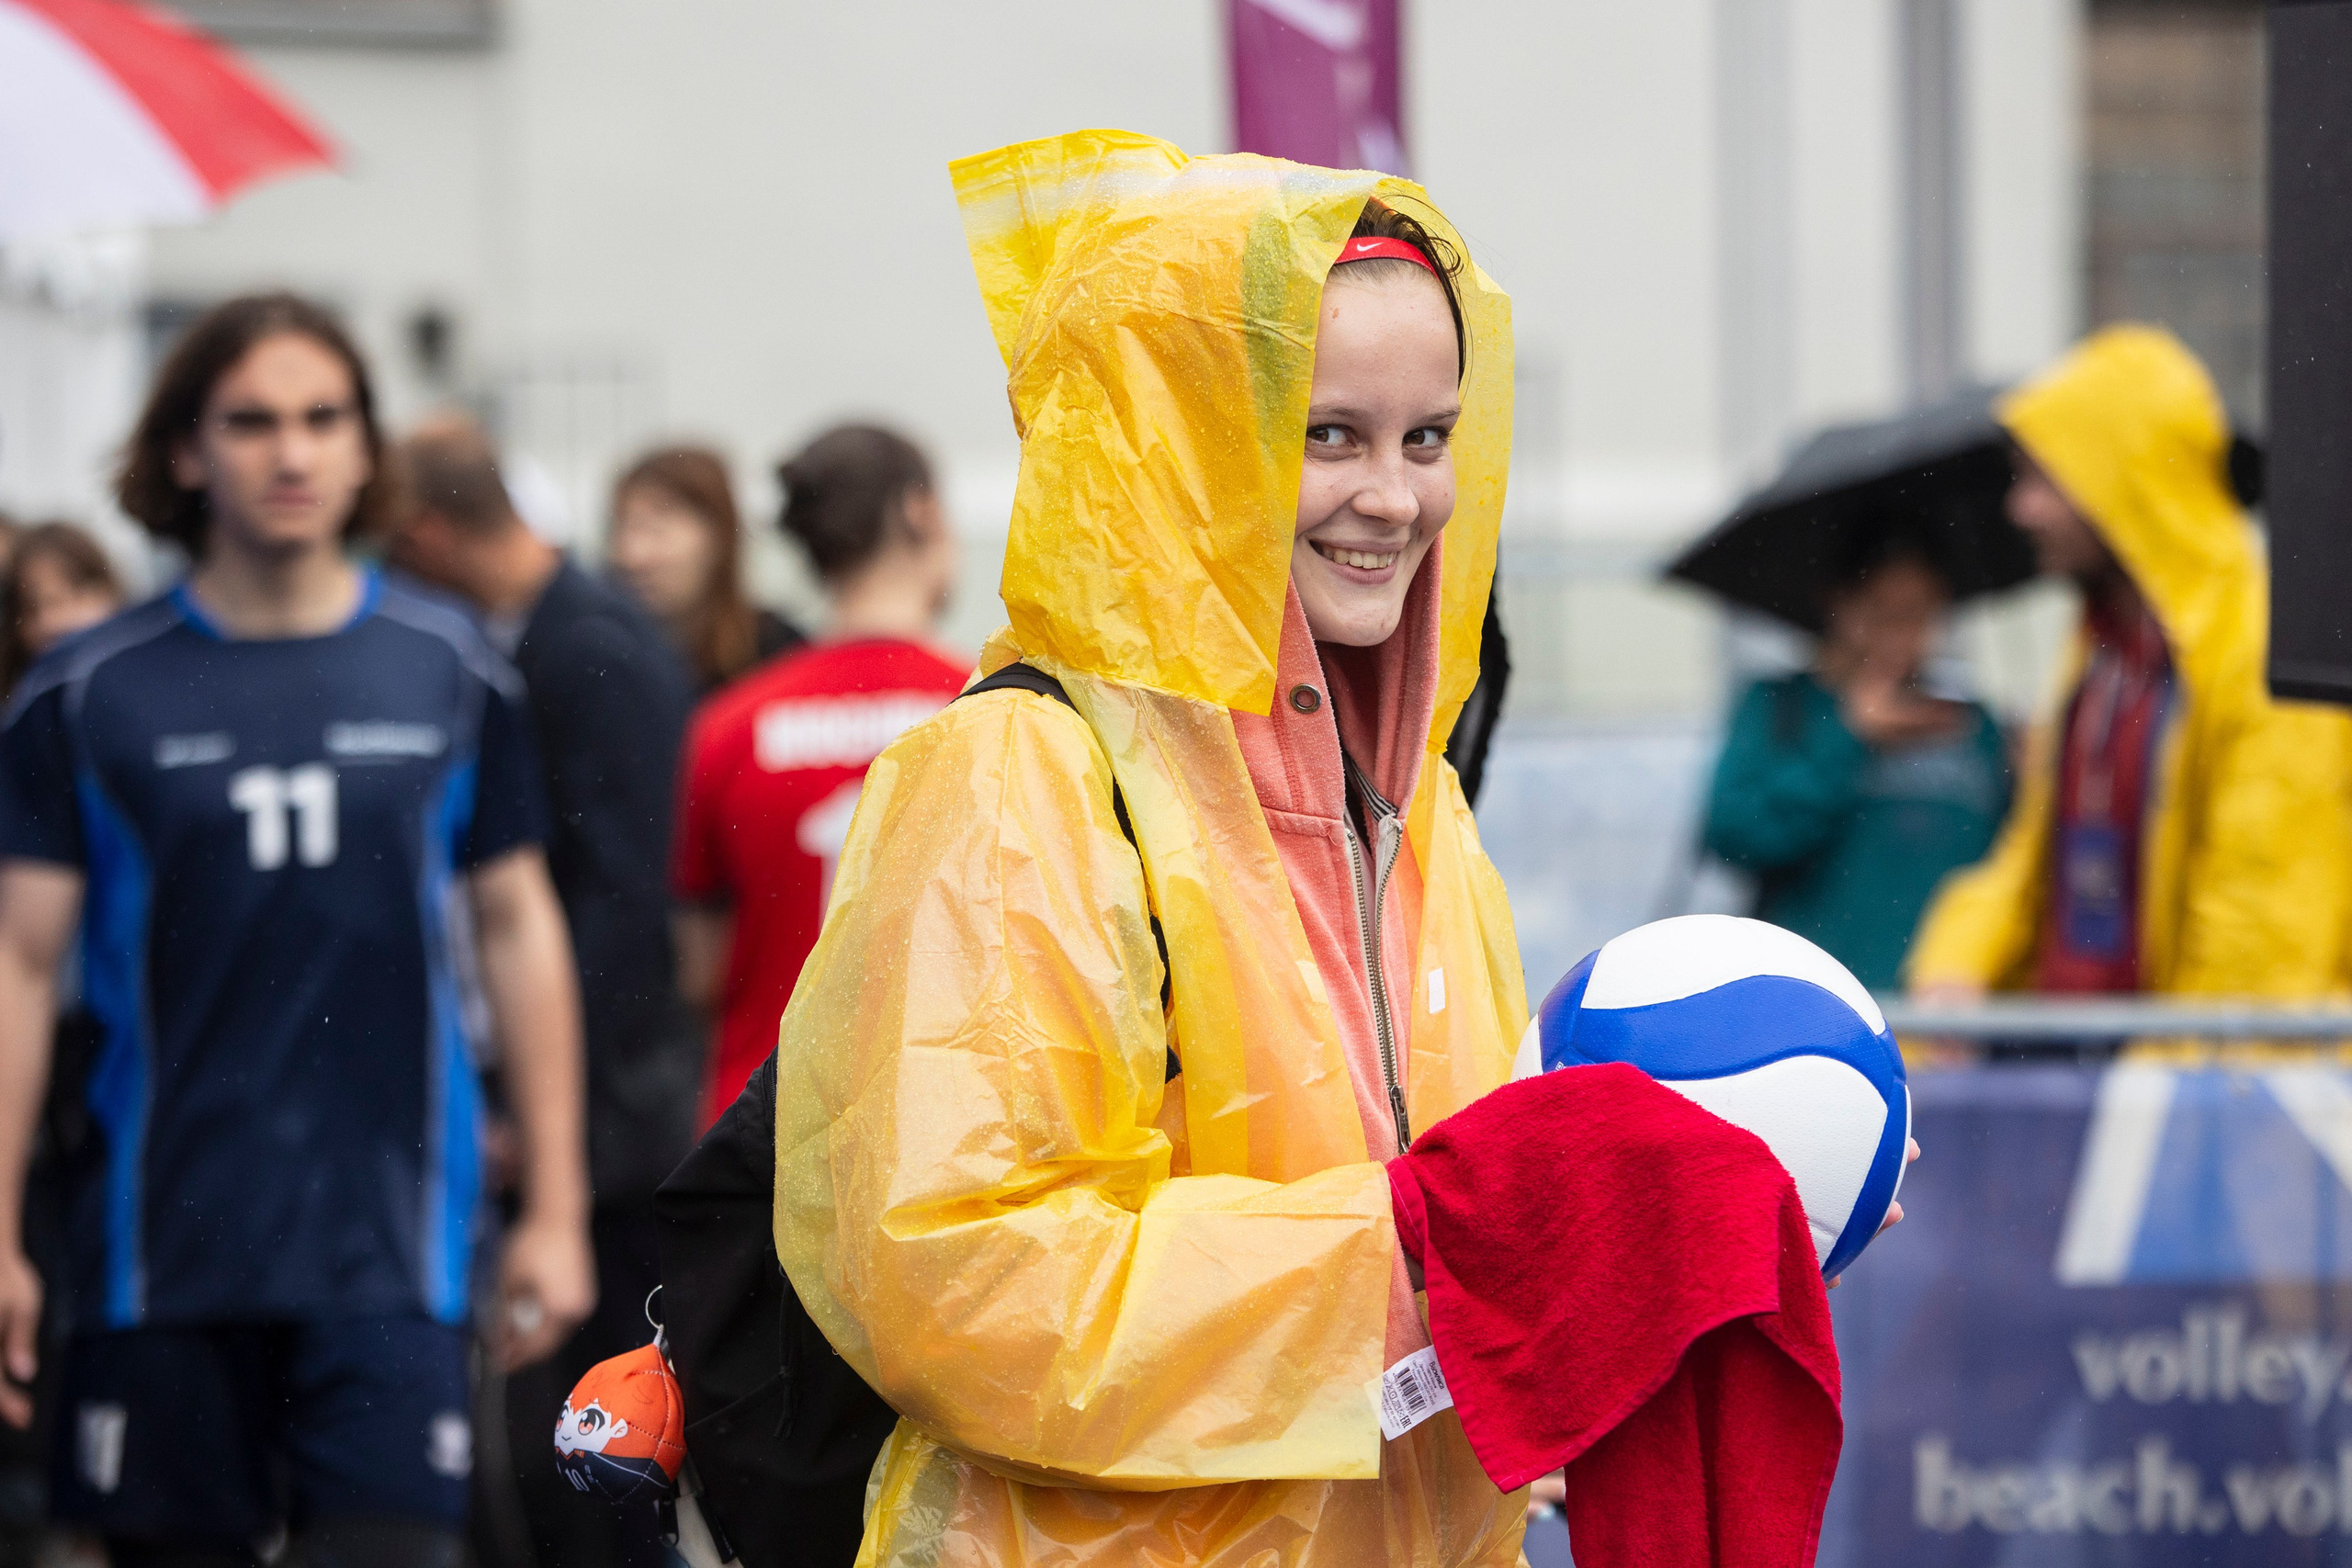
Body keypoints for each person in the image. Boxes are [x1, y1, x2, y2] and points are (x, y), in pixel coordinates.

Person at [769, 130, 1532, 1568]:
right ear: (1188, 445)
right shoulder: (1024, 777)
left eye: (1427, 435)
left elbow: (1478, 1183)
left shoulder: (1416, 803)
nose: (1396, 495)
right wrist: (1432, 1264)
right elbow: (966, 1281)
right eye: (1328, 434)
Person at [0, 294, 594, 1567]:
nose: (292, 452)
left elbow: (518, 923)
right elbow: (20, 960)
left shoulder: (453, 669)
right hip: (155, 1249)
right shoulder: (88, 689)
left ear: (365, 449)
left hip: (394, 1250)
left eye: (325, 419)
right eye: (252, 420)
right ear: (182, 449)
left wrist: (555, 1201)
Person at [387, 414, 699, 1568]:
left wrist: (534, 1098)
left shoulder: (587, 647)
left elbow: (617, 908)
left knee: (590, 1438)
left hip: (607, 1110)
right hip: (587, 1101)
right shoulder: (548, 634)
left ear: (425, 530)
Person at [1908, 324, 2352, 1002]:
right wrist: (1957, 964)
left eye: (2044, 479)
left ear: (2123, 483)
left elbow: (2262, 932)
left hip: (2183, 1088)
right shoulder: (2104, 649)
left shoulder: (2260, 646)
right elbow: (2033, 859)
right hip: (2092, 1066)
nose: (2019, 509)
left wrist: (2154, 1090)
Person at [670, 423, 965, 1128]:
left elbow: (700, 969)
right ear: (919, 509)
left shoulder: (730, 726)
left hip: (767, 1128)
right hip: (942, 1130)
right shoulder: (989, 707)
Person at [1701, 531, 2009, 990]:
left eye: (1919, 615)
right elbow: (1734, 837)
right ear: (1837, 606)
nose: (1901, 637)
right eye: (1882, 613)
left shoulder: (1971, 725)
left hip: (1949, 1013)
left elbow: (2010, 864)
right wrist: (1847, 736)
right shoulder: (1783, 709)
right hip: (1819, 1004)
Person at [606, 446, 802, 696]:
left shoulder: (778, 655)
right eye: (624, 529)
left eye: (658, 530)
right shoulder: (606, 656)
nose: (633, 555)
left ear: (720, 536)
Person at [1, 523, 125, 696]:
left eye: (66, 600)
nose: (51, 623)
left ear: (107, 590)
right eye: (31, 608)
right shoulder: (19, 711)